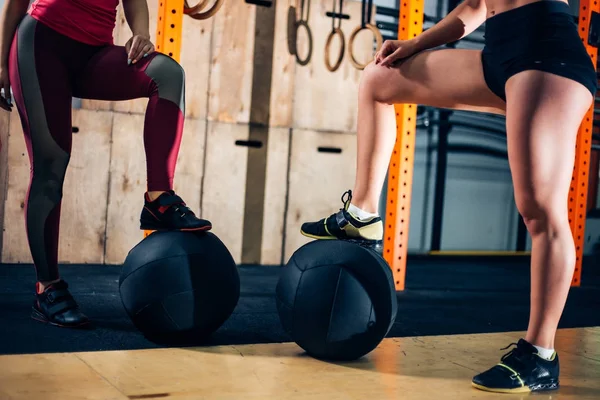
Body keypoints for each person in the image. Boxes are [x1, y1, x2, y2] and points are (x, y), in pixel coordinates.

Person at [301, 0, 596, 394]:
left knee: (539, 210)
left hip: (548, 56)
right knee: (378, 80)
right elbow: (475, 6)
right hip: (501, 51)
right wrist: (416, 42)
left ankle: (540, 356)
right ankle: (363, 214)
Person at [0, 0, 212, 329]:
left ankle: (158, 198)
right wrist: (1, 62)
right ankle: (48, 288)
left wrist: (141, 34)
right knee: (51, 166)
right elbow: (16, 3)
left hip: (94, 52)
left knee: (168, 74)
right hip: (41, 44)